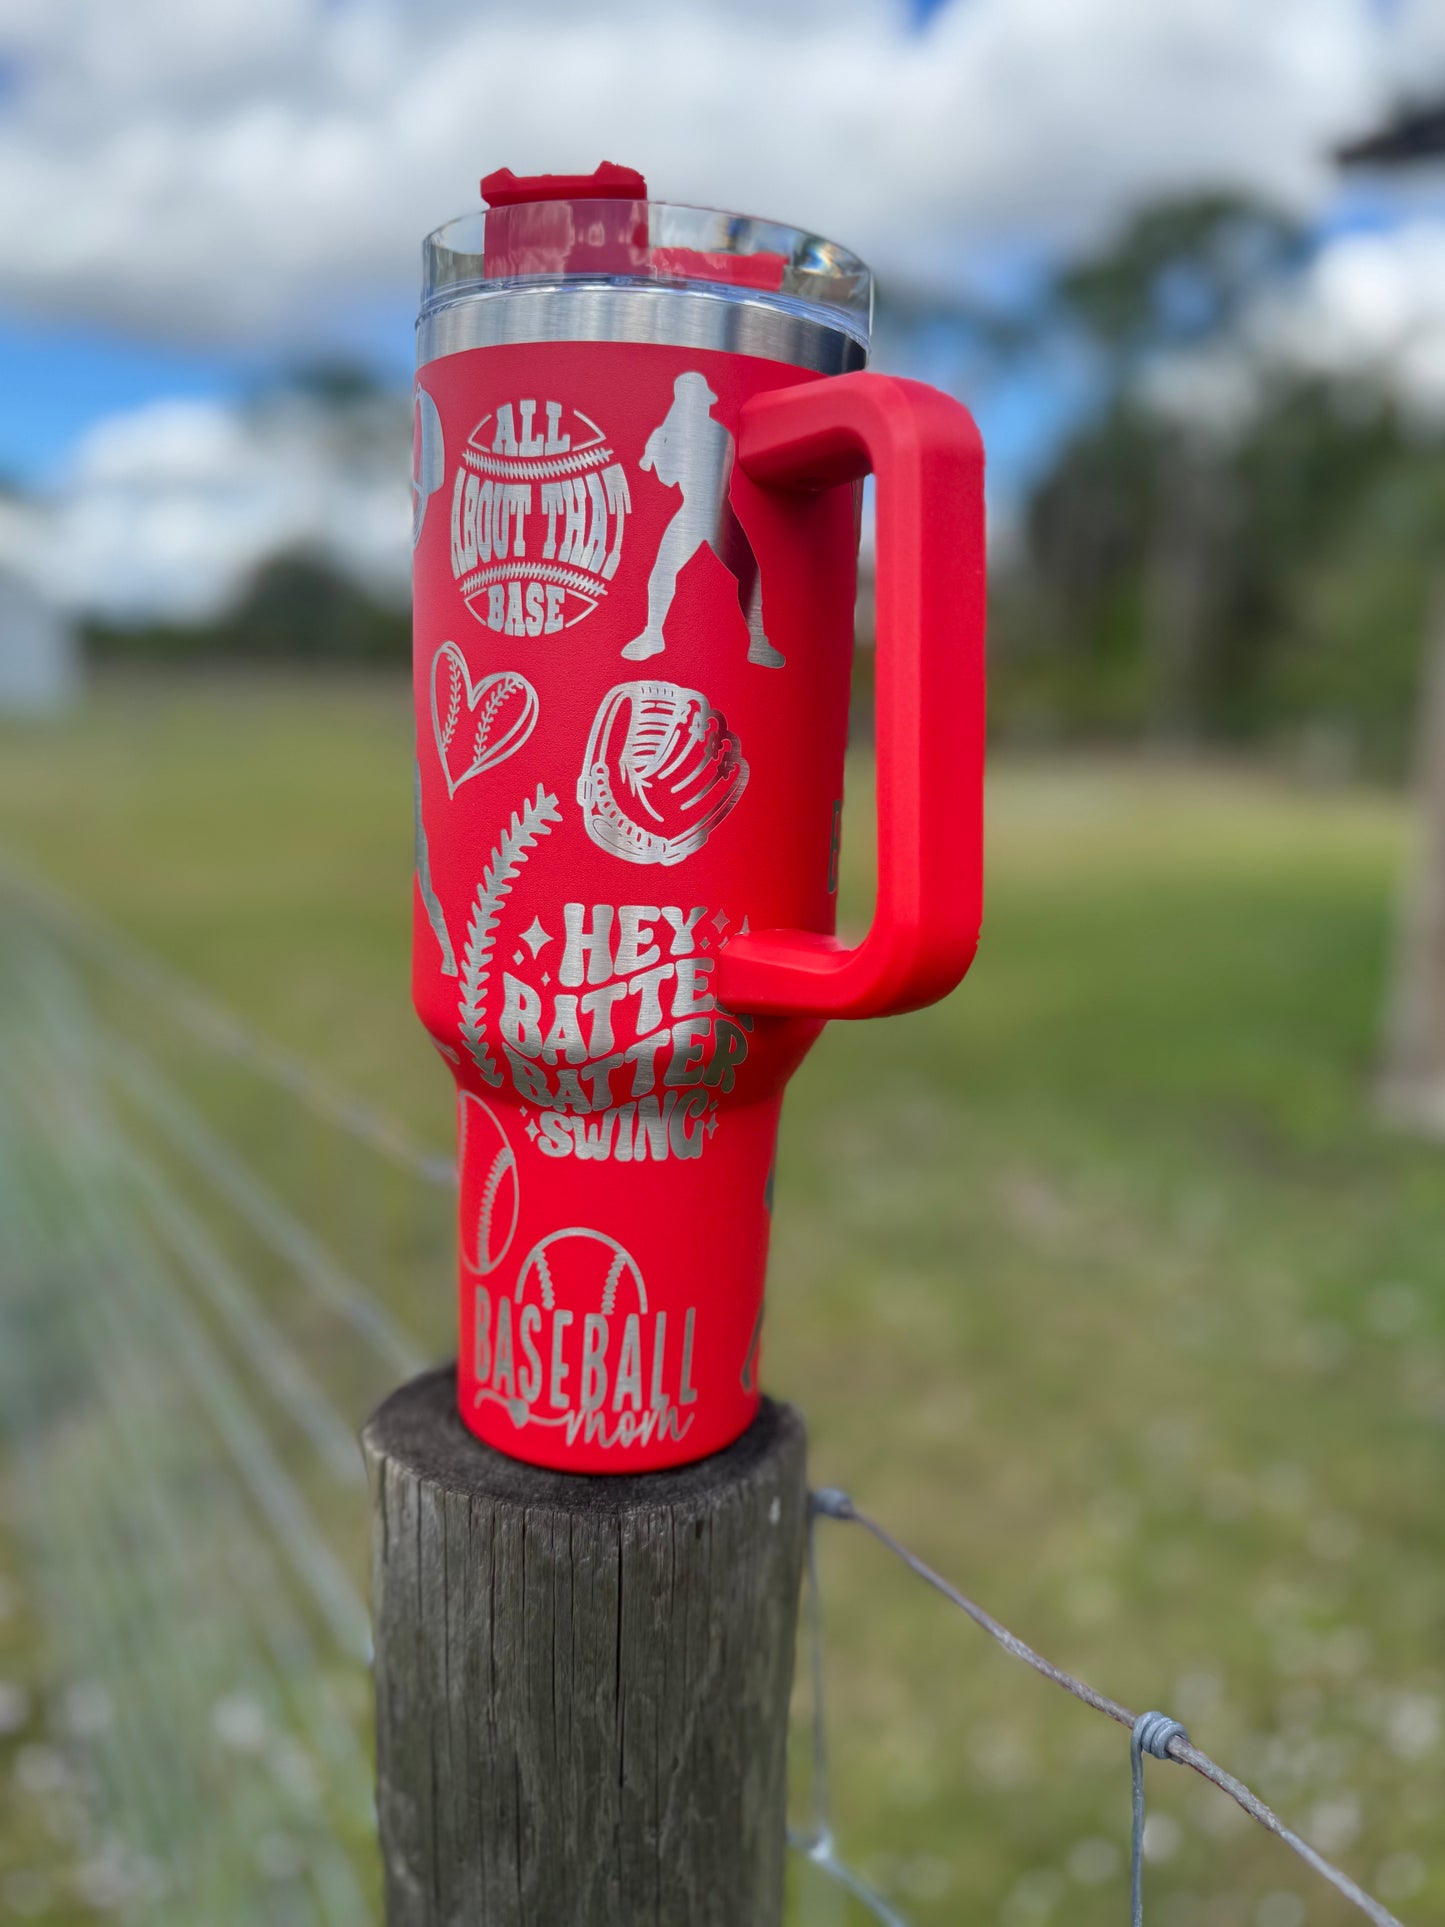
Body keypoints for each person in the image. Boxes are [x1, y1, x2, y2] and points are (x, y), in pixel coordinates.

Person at [622, 372, 783, 667]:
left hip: (718, 511)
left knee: (750, 574)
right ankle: (653, 635)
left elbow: (714, 481)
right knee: (662, 572)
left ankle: (758, 643)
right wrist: (656, 450)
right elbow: (668, 479)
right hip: (692, 510)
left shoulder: (718, 434)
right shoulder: (672, 434)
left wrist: (663, 450)